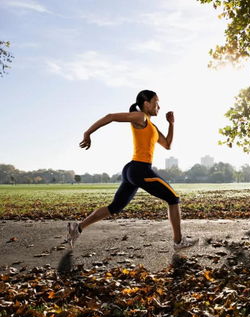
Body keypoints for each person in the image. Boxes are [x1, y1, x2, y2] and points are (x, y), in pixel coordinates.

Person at [67, 90, 198, 251]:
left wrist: (171, 124)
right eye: (156, 102)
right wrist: (88, 133)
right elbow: (110, 117)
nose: (159, 106)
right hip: (140, 169)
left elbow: (167, 145)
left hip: (132, 170)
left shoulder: (152, 126)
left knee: (115, 207)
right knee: (173, 198)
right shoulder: (140, 117)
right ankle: (178, 242)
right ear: (146, 104)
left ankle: (77, 228)